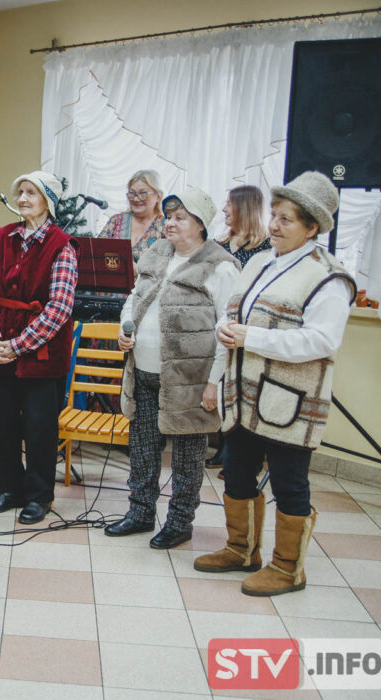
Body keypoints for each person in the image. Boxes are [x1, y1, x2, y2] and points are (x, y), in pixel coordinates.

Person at [197, 171, 355, 597]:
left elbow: (322, 341)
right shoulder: (264, 261)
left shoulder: (329, 276)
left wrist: (252, 337)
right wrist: (227, 328)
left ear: (313, 227)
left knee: (289, 482)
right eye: (275, 216)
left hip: (291, 402)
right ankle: (241, 549)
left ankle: (288, 569)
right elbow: (237, 310)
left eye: (287, 219)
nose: (275, 226)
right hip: (245, 396)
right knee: (236, 471)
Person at [104, 188, 239, 549]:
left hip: (189, 382)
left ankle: (180, 522)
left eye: (180, 218)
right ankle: (140, 512)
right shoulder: (158, 252)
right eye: (169, 217)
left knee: (187, 455)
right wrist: (124, 329)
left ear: (200, 223)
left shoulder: (220, 265)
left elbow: (229, 327)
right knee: (143, 447)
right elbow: (133, 298)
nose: (171, 223)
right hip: (144, 372)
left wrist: (214, 383)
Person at [0, 171, 79, 525]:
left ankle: (38, 496)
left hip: (42, 356)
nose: (22, 198)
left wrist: (17, 346)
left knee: (40, 429)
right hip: (1, 348)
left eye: (30, 192)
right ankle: (9, 489)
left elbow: (59, 309)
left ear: (48, 200)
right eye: (19, 191)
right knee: (1, 423)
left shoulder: (61, 245)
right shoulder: (4, 237)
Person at [205, 185, 272, 470]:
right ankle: (222, 446)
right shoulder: (218, 244)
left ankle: (239, 454)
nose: (223, 210)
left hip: (247, 331)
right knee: (220, 387)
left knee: (242, 393)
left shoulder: (266, 248)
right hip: (218, 324)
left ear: (244, 208)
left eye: (229, 204)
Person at [97, 169, 167, 263]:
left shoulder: (166, 226)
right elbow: (96, 254)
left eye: (143, 193)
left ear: (158, 196)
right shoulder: (116, 221)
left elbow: (169, 264)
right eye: (132, 193)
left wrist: (138, 270)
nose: (136, 199)